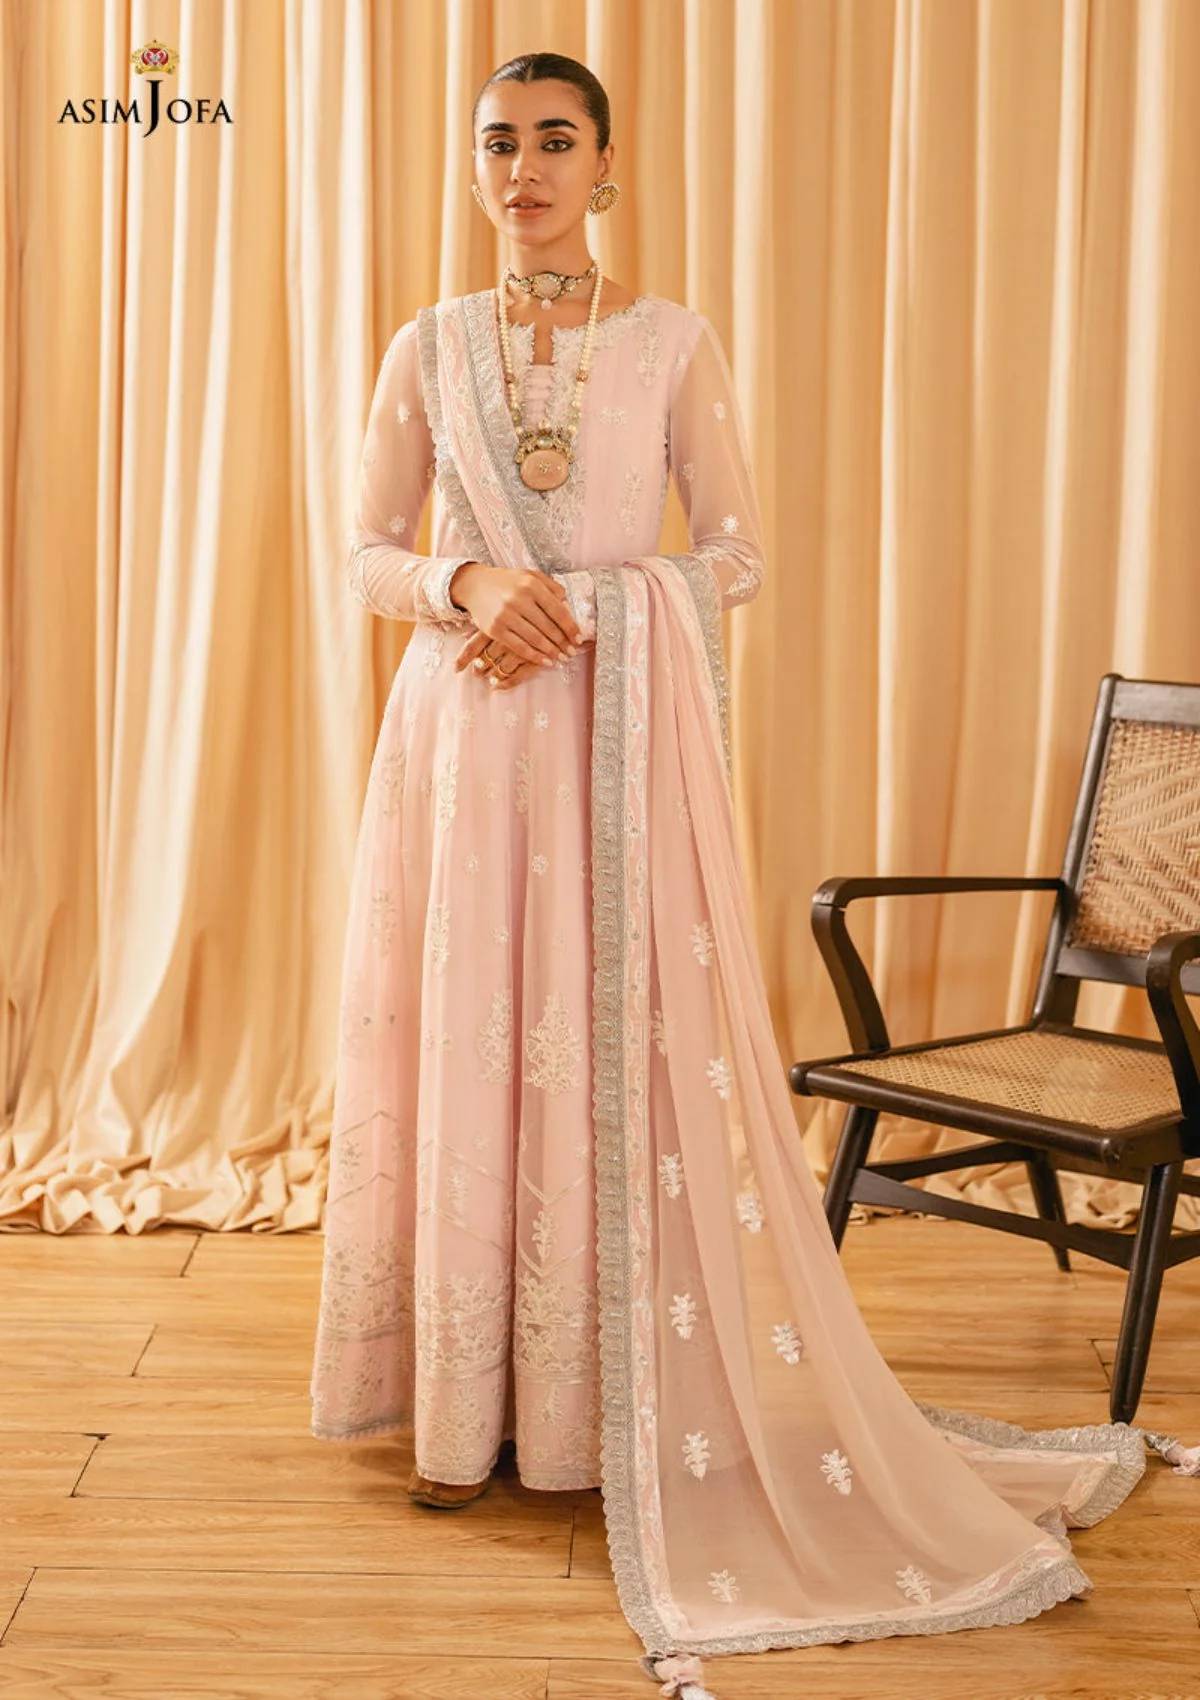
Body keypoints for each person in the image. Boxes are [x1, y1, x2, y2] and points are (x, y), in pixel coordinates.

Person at [310, 49, 1198, 1699]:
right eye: (499, 143)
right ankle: (461, 1412)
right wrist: (463, 583)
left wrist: (594, 602)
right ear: (475, 166)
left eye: (555, 141)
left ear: (606, 165)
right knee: (473, 1049)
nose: (524, 169)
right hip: (465, 742)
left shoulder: (671, 343)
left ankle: (590, 1414)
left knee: (595, 1052)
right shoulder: (427, 346)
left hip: (613, 739)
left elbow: (735, 553)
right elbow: (363, 549)